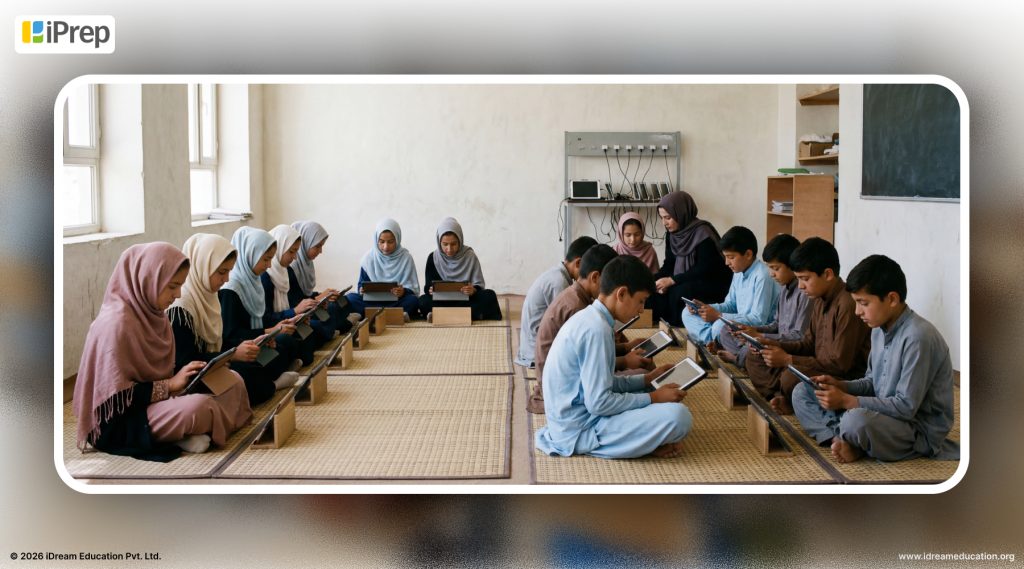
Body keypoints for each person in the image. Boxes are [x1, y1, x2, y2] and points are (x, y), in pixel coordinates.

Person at [73, 242, 252, 461]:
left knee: (234, 381)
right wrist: (168, 386)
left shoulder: (155, 316)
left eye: (180, 286)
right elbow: (115, 398)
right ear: (148, 279)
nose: (177, 294)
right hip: (124, 421)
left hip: (158, 402)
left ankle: (183, 433)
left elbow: (165, 371)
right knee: (200, 407)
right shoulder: (115, 325)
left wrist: (187, 375)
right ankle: (176, 435)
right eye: (172, 286)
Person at [792, 255, 958, 463]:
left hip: (916, 428)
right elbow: (872, 382)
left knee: (855, 419)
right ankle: (846, 440)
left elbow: (906, 407)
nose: (857, 312)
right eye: (855, 303)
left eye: (863, 303)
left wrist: (846, 400)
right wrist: (841, 385)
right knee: (802, 392)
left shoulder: (918, 337)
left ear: (892, 299)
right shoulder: (878, 329)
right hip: (882, 415)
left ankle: (854, 439)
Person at [535, 255, 693, 459]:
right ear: (622, 293)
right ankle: (628, 446)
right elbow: (599, 403)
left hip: (577, 418)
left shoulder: (594, 319)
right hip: (579, 429)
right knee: (679, 417)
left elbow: (603, 383)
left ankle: (640, 442)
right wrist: (652, 398)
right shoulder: (596, 330)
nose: (641, 309)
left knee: (653, 391)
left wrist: (646, 379)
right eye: (640, 301)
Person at [744, 237, 870, 415]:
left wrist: (788, 360)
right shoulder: (819, 299)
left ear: (827, 274)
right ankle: (783, 398)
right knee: (754, 357)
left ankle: (789, 398)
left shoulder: (848, 304)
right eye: (798, 279)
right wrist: (773, 345)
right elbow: (808, 343)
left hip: (844, 378)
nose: (801, 286)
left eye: (805, 279)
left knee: (789, 378)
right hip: (817, 366)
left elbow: (840, 365)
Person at [528, 246, 653, 414]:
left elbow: (588, 354)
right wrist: (625, 361)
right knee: (651, 388)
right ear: (596, 277)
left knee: (646, 382)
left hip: (565, 386)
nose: (641, 310)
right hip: (566, 395)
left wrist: (625, 348)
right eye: (641, 301)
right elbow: (594, 383)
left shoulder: (585, 305)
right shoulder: (579, 309)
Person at [168, 234, 276, 407]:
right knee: (247, 377)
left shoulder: (209, 296)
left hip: (214, 366)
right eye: (221, 272)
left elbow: (218, 341)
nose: (226, 279)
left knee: (255, 368)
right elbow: (186, 361)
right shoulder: (181, 308)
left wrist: (245, 345)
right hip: (193, 377)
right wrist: (232, 355)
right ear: (203, 266)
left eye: (229, 272)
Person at [219, 227, 303, 403]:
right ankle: (274, 383)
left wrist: (269, 333)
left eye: (270, 259)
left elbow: (261, 318)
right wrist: (265, 332)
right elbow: (230, 335)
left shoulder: (253, 281)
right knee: (248, 373)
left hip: (255, 343)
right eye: (265, 259)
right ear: (250, 254)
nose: (269, 265)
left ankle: (273, 372)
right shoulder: (231, 289)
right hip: (236, 351)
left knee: (286, 343)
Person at [718, 234, 810, 369]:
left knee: (751, 351)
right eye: (769, 268)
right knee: (726, 330)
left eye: (776, 268)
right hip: (772, 339)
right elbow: (776, 324)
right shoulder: (784, 288)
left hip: (786, 347)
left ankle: (739, 359)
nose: (771, 274)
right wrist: (751, 330)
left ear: (792, 265)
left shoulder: (804, 293)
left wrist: (760, 336)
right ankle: (744, 358)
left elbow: (799, 337)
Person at [680, 225, 778, 348]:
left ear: (748, 254)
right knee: (687, 313)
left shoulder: (763, 275)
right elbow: (730, 305)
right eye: (725, 257)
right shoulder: (738, 271)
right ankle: (713, 340)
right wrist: (705, 308)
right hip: (735, 321)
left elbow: (759, 319)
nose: (727, 263)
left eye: (731, 257)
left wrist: (719, 316)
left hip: (754, 327)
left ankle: (711, 339)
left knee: (719, 326)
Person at [650, 191, 732, 326]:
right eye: (662, 217)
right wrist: (656, 280)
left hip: (710, 282)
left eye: (668, 218)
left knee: (679, 292)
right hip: (686, 279)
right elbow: (669, 264)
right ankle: (664, 327)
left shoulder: (703, 233)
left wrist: (672, 280)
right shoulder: (672, 235)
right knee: (653, 289)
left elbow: (704, 269)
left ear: (681, 213)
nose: (664, 223)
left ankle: (678, 331)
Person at [514, 236, 597, 368]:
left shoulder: (558, 275)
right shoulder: (559, 282)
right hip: (537, 352)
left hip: (532, 346)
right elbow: (570, 325)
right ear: (578, 263)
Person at [419, 217, 503, 321]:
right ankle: (466, 315)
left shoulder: (470, 255)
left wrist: (473, 290)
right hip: (443, 300)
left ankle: (442, 315)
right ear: (439, 242)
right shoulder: (433, 258)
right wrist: (431, 290)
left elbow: (479, 285)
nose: (449, 249)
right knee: (422, 300)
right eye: (445, 244)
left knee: (489, 295)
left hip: (466, 299)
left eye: (453, 244)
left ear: (460, 240)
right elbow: (428, 286)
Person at [261, 224, 318, 364]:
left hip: (286, 323)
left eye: (296, 252)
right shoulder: (265, 277)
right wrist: (293, 312)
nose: (295, 257)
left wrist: (299, 316)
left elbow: (296, 300)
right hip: (273, 327)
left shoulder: (287, 271)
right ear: (280, 247)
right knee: (288, 341)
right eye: (292, 252)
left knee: (310, 331)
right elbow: (265, 318)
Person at [289, 220, 357, 337]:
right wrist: (319, 298)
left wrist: (323, 295)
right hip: (297, 312)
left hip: (308, 305)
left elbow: (305, 295)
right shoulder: (292, 266)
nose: (320, 251)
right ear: (306, 242)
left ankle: (338, 326)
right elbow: (294, 303)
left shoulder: (306, 263)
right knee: (331, 309)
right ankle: (339, 327)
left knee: (344, 300)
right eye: (317, 246)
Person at [344, 218, 421, 321]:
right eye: (381, 242)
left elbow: (413, 290)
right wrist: (361, 290)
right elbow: (361, 286)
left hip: (396, 301)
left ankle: (371, 316)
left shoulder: (406, 258)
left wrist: (403, 292)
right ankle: (395, 316)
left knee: (413, 301)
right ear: (376, 240)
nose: (385, 246)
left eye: (390, 242)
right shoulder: (369, 258)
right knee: (350, 298)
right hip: (373, 302)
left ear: (397, 239)